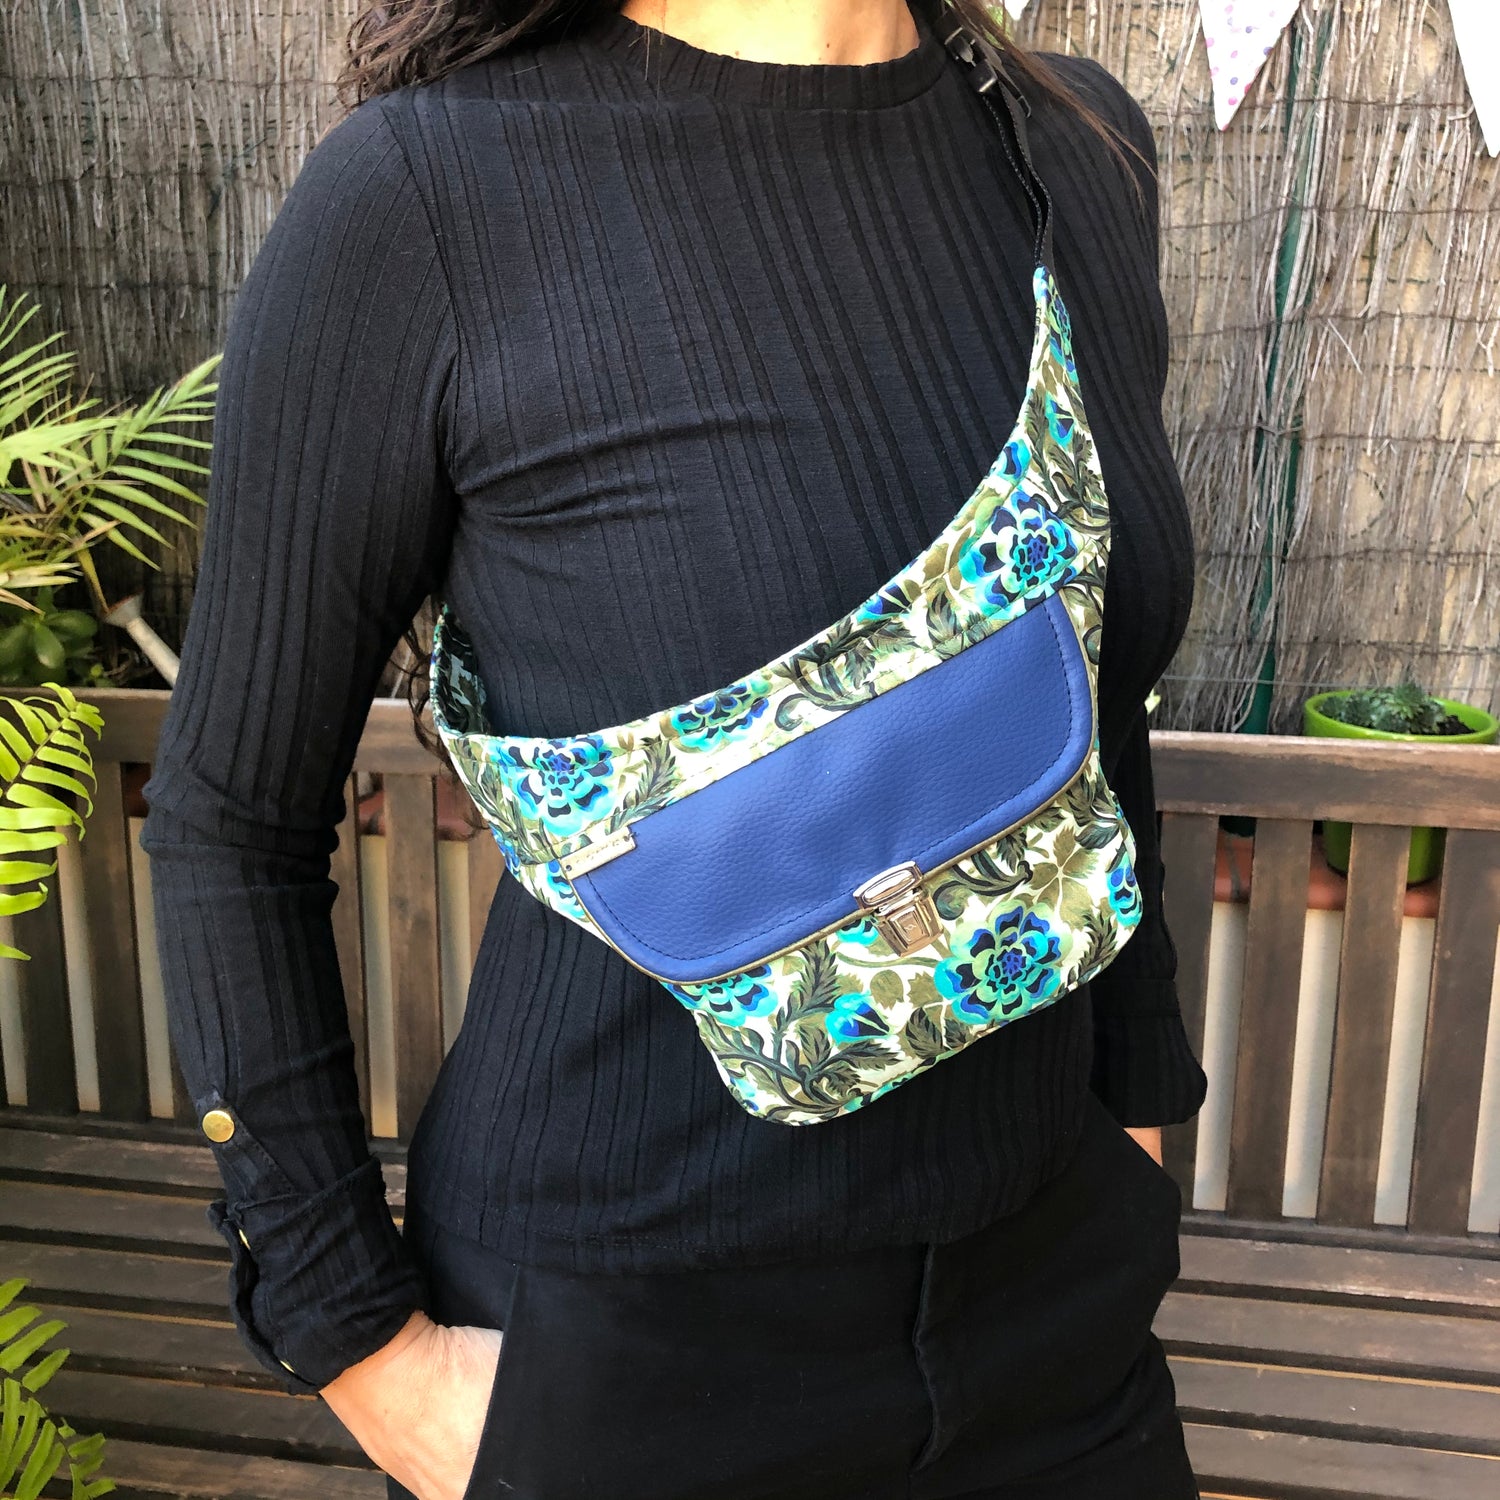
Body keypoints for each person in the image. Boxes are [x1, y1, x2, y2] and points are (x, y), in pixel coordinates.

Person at [138, 1, 1210, 1496]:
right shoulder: (427, 201)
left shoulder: (1072, 150)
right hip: (625, 1345)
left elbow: (1094, 694)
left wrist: (1140, 1125)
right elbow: (230, 824)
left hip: (1059, 1320)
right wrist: (361, 1349)